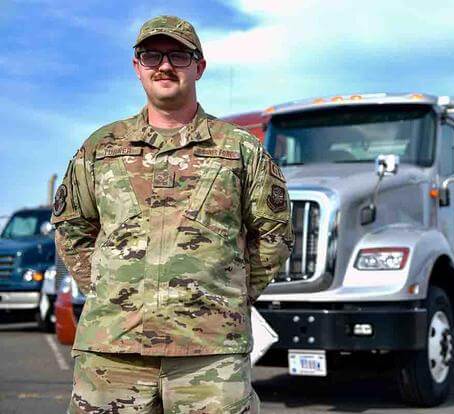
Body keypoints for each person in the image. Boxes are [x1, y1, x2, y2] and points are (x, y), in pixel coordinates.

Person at [52, 15, 293, 413]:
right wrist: (107, 291)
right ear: (137, 67)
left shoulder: (240, 149)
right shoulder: (101, 148)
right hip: (113, 354)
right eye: (152, 56)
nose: (164, 66)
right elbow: (72, 227)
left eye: (178, 56)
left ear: (199, 66)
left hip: (209, 356)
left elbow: (275, 233)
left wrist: (225, 296)